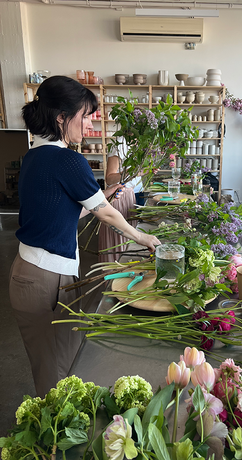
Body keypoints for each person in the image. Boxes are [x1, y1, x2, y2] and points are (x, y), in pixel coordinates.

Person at [9, 76, 161, 398]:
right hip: (43, 278)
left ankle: (53, 437)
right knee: (54, 375)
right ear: (62, 117)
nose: (90, 124)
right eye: (85, 115)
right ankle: (49, 443)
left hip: (30, 273)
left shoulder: (33, 156)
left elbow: (60, 211)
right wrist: (142, 238)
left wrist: (98, 195)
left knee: (58, 363)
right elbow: (105, 213)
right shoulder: (68, 159)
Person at [98, 141, 144, 262]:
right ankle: (115, 275)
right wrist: (135, 172)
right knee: (119, 239)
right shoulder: (120, 144)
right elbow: (109, 178)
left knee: (130, 239)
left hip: (131, 195)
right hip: (119, 196)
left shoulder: (140, 143)